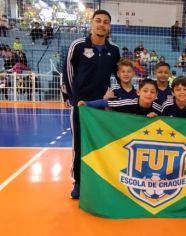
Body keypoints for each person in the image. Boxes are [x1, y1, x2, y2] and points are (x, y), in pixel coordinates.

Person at [62, 9, 120, 199]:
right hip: (81, 106)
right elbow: (68, 73)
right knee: (79, 143)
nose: (102, 24)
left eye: (106, 22)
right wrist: (73, 99)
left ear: (109, 26)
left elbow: (121, 77)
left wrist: (117, 99)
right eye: (98, 21)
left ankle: (98, 179)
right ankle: (78, 181)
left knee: (101, 144)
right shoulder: (77, 46)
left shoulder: (114, 51)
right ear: (92, 23)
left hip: (102, 107)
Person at [79, 79, 161, 118]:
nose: (149, 94)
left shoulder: (158, 109)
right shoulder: (128, 102)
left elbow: (168, 120)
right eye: (145, 91)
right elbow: (105, 103)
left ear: (156, 94)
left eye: (152, 92)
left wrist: (157, 117)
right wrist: (87, 103)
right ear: (138, 92)